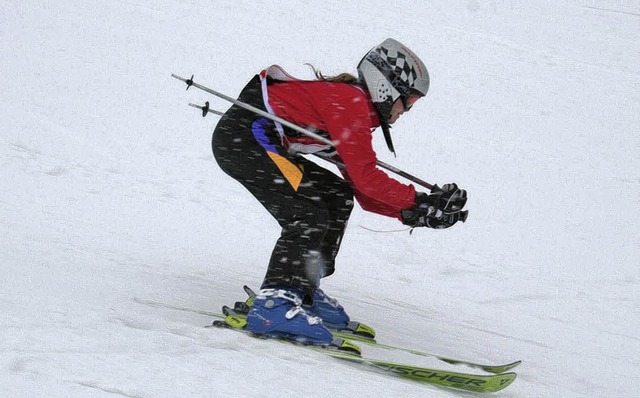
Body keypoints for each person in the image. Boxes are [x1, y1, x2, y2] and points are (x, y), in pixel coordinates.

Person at [211, 38, 468, 345]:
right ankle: (275, 304)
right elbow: (368, 178)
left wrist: (416, 212)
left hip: (254, 142)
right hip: (245, 138)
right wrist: (418, 201)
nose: (407, 111)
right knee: (308, 212)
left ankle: (302, 291)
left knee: (336, 195)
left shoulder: (354, 110)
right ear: (385, 87)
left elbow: (360, 190)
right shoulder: (350, 102)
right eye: (408, 101)